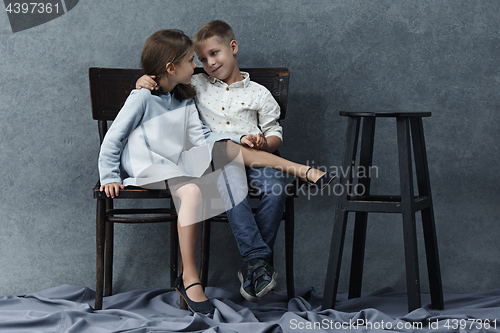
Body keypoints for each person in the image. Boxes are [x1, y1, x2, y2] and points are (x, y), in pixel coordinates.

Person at [126, 28, 334, 311]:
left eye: (214, 53)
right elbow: (165, 82)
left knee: (276, 188)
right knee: (232, 183)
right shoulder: (196, 83)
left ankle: (254, 265)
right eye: (201, 58)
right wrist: (142, 81)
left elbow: (274, 133)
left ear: (233, 47)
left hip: (260, 157)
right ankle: (258, 262)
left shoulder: (259, 93)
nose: (209, 62)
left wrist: (264, 141)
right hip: (220, 157)